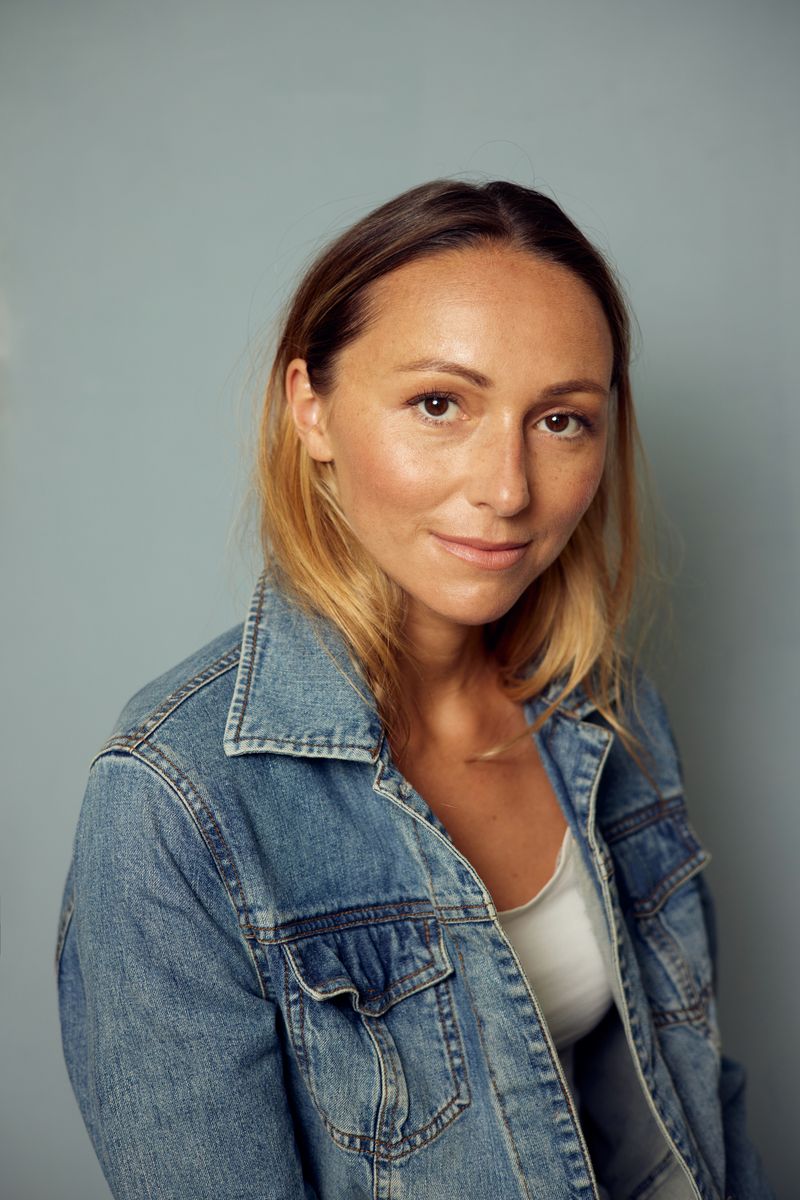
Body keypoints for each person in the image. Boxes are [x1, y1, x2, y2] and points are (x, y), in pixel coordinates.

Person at [55, 178, 775, 1200]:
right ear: (310, 408)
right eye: (439, 404)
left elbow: (695, 1102)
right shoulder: (173, 799)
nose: (507, 488)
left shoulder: (608, 708)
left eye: (560, 420)